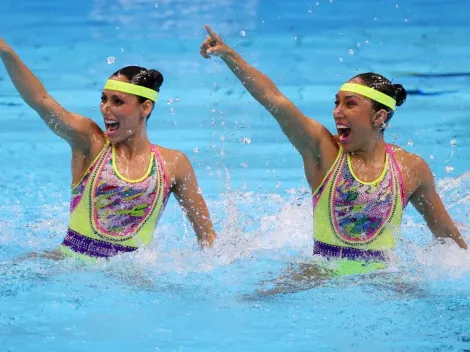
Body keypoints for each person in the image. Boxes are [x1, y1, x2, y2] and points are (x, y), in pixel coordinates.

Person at [199, 25, 467, 277]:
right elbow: (275, 100)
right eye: (337, 103)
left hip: (383, 281)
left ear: (379, 117)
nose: (337, 111)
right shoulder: (324, 152)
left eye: (350, 104)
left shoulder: (410, 168)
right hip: (320, 276)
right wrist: (230, 56)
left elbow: (447, 237)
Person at [0, 37, 217, 261]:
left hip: (131, 277)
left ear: (145, 107)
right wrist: (6, 51)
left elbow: (207, 238)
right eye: (104, 99)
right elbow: (41, 100)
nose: (106, 109)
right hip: (68, 266)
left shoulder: (173, 164)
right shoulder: (90, 142)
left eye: (117, 101)